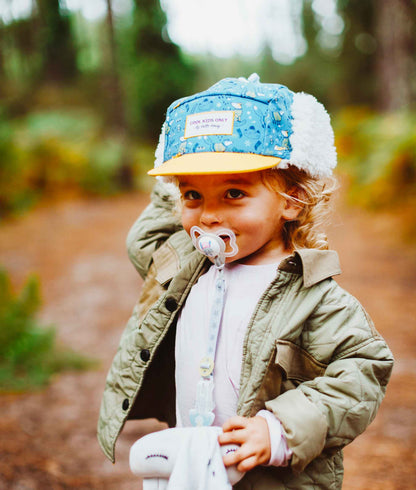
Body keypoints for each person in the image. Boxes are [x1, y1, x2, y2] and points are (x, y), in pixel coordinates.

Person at [97, 74, 394, 489]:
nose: (208, 216)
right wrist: (183, 163)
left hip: (268, 475)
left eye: (234, 193)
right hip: (192, 466)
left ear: (291, 200)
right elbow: (144, 239)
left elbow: (363, 370)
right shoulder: (186, 267)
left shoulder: (314, 296)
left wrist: (280, 431)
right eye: (193, 195)